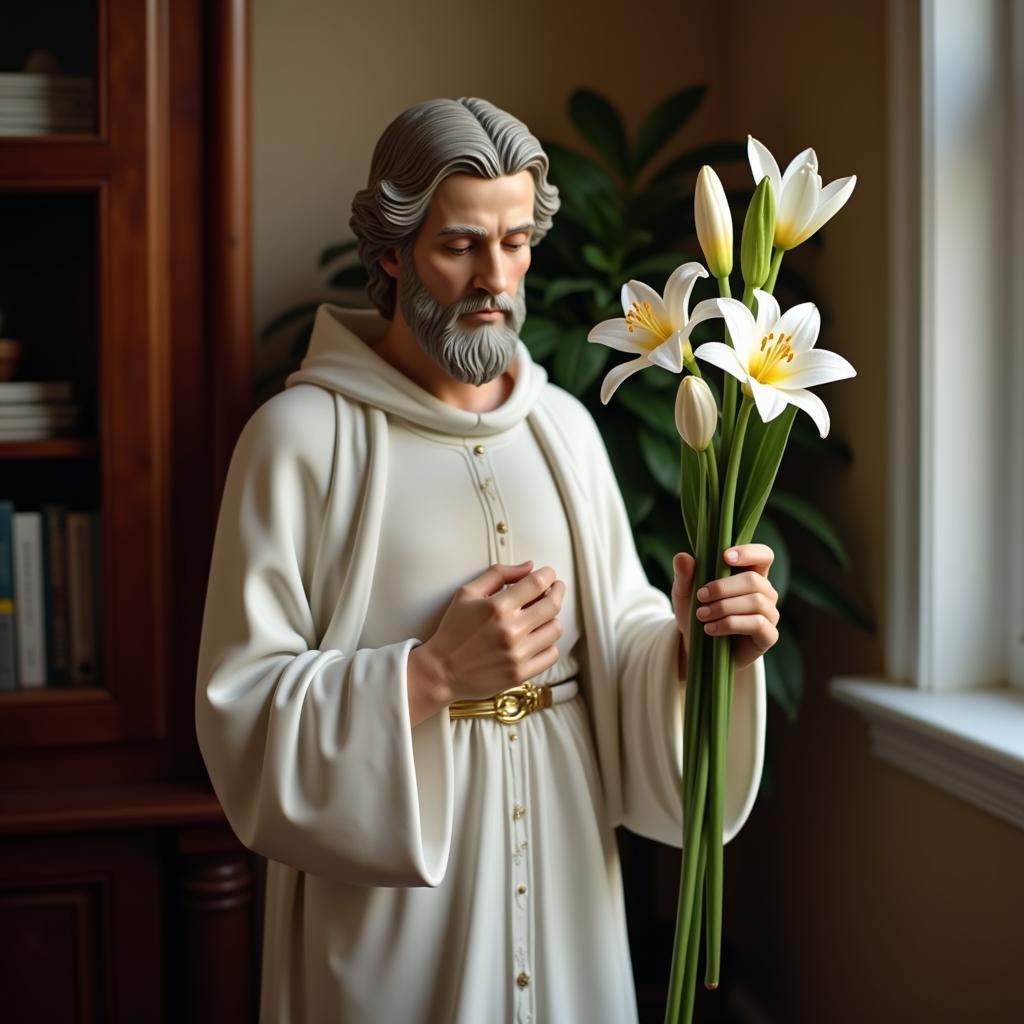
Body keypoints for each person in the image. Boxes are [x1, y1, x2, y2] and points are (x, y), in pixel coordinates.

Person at [195, 97, 777, 1024]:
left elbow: (618, 647)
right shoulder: (298, 440)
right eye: (461, 245)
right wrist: (429, 677)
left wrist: (694, 647)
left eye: (516, 242)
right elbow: (242, 707)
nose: (495, 279)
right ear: (390, 252)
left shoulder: (565, 430)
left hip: (562, 859)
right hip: (394, 904)